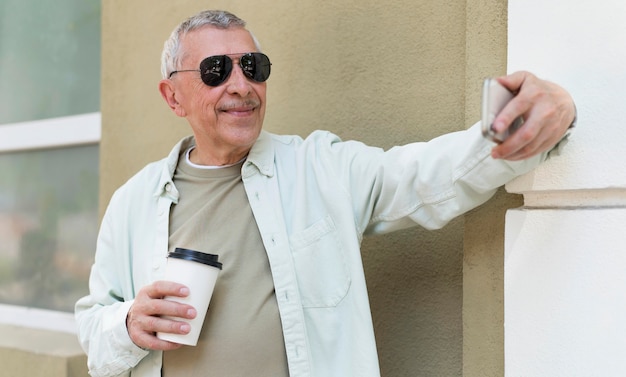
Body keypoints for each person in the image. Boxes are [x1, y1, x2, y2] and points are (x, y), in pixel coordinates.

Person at [75, 9, 576, 377]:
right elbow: (95, 332)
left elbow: (423, 175)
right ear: (172, 96)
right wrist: (127, 323)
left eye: (253, 66)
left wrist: (526, 123)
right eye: (215, 71)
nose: (241, 85)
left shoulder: (320, 168)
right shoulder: (133, 204)